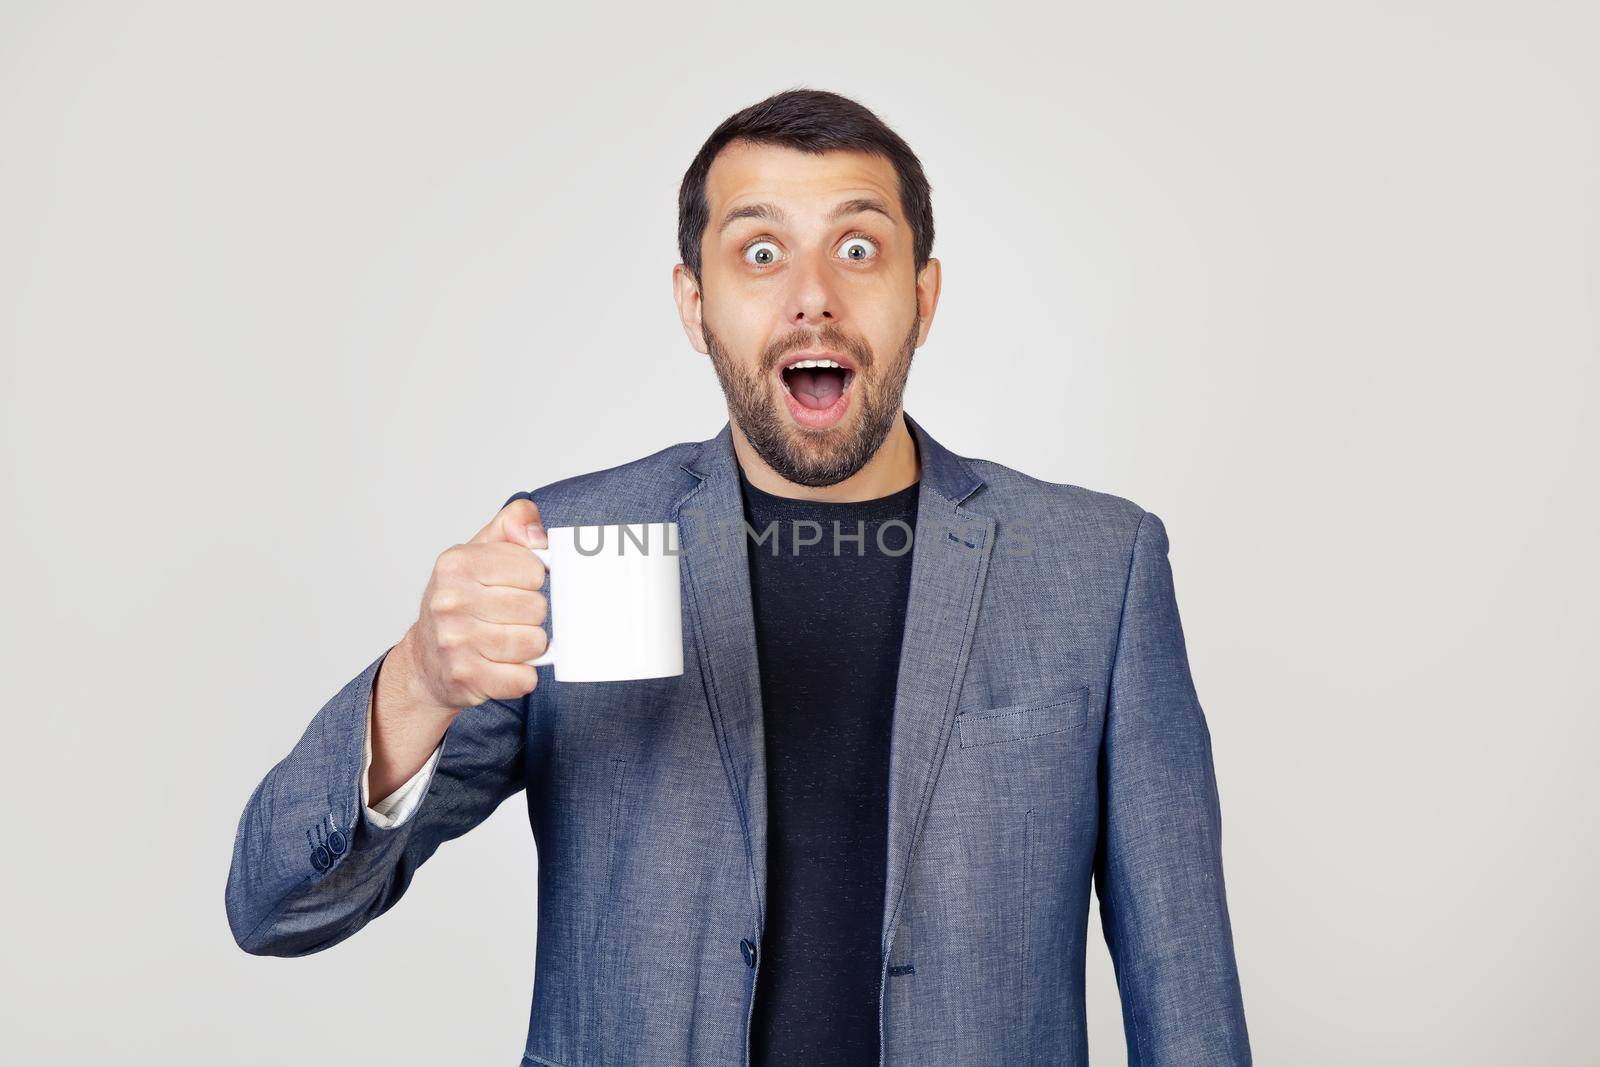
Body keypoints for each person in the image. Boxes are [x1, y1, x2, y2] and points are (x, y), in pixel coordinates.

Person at [226, 87, 1252, 1067]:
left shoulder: (1096, 567)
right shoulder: (566, 547)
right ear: (693, 302)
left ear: (924, 295)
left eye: (859, 248)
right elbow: (276, 908)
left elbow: (1186, 991)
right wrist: (416, 678)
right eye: (760, 253)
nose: (813, 296)